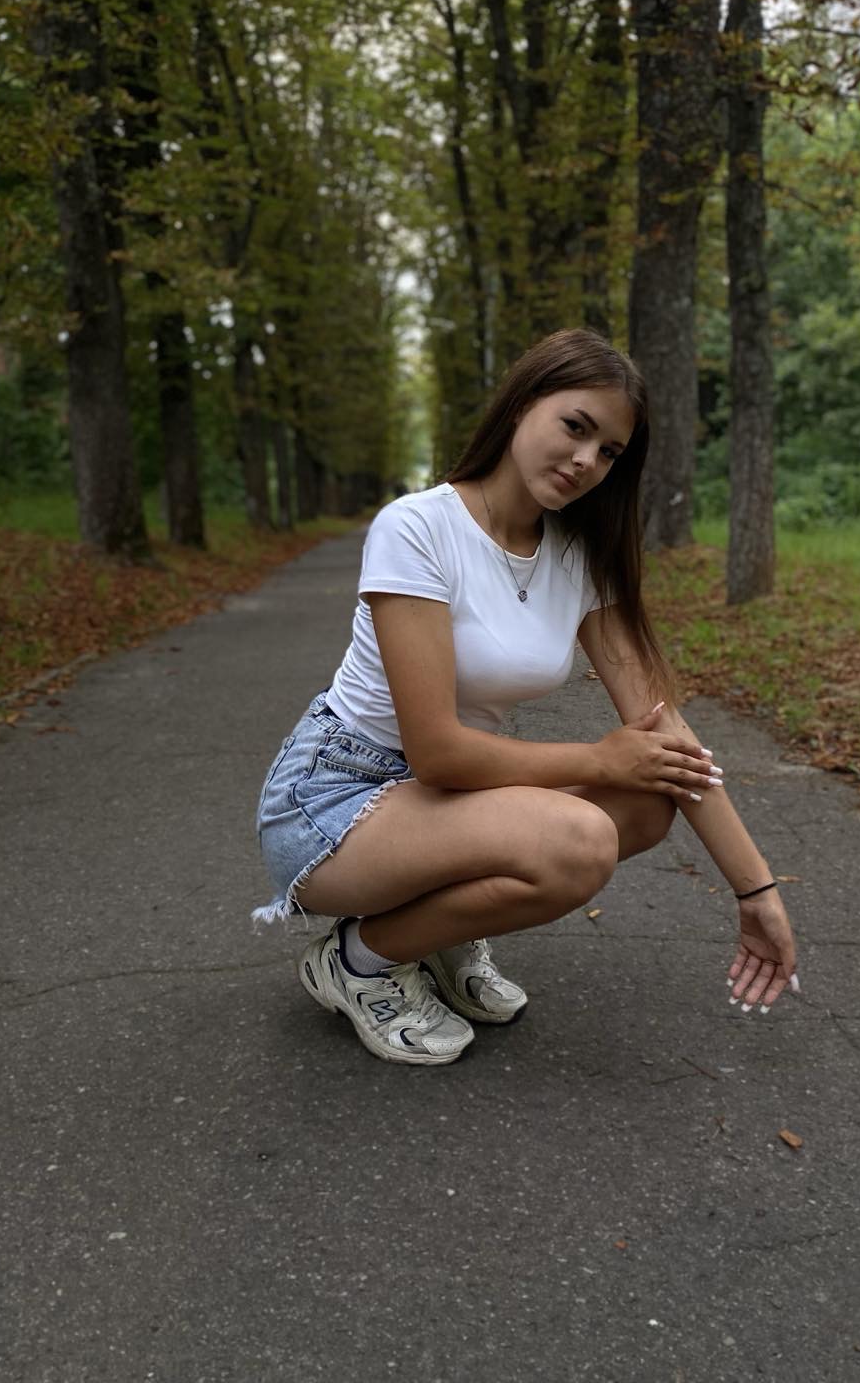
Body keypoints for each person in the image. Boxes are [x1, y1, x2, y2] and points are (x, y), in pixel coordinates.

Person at [252, 329, 797, 1065]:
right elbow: (437, 752)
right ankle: (357, 960)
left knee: (647, 800)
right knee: (580, 839)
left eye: (609, 451)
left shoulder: (578, 556)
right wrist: (600, 760)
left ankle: (436, 935)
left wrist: (755, 891)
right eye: (575, 426)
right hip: (337, 799)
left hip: (445, 800)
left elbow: (666, 732)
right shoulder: (418, 528)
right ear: (520, 405)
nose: (586, 460)